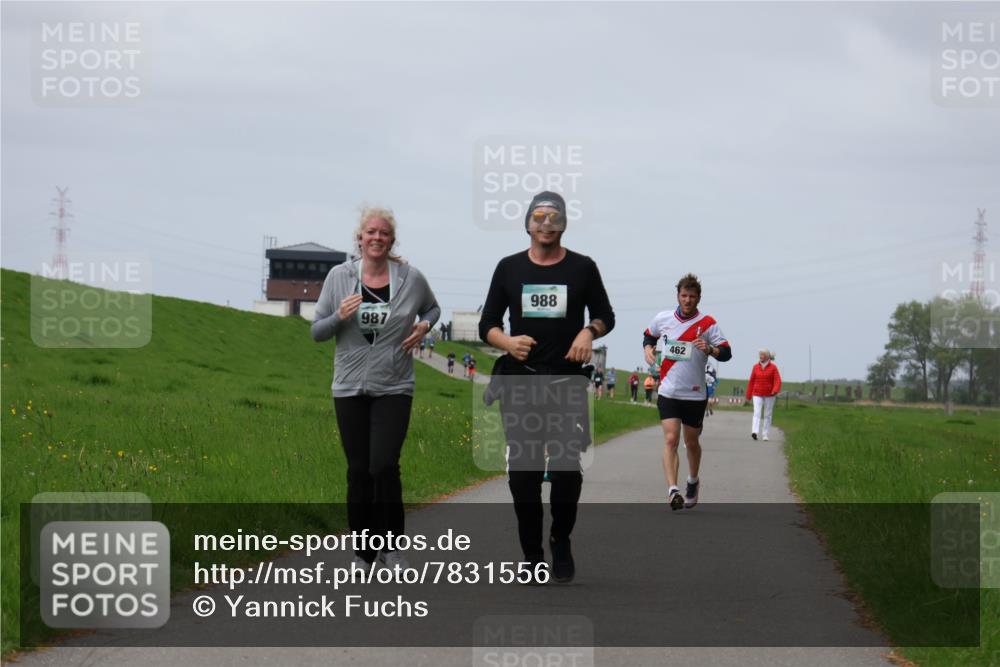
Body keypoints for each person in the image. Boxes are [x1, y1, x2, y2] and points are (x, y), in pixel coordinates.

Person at [479, 191, 614, 584]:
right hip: (520, 382)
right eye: (538, 217)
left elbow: (606, 315)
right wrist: (507, 342)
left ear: (564, 223)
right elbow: (489, 321)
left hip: (566, 381)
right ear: (527, 224)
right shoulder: (508, 268)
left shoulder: (583, 268)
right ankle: (532, 553)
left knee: (567, 472)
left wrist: (589, 331)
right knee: (524, 474)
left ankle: (560, 537)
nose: (546, 224)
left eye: (554, 217)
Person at [311, 206, 440, 570]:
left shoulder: (410, 279)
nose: (377, 238)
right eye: (371, 232)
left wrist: (424, 327)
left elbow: (432, 308)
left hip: (394, 384)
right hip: (349, 386)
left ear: (392, 240)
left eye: (384, 233)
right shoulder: (339, 277)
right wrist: (340, 316)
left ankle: (393, 547)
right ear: (360, 238)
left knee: (384, 465)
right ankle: (364, 551)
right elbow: (317, 332)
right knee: (358, 470)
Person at [643, 273, 731, 511]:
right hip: (669, 391)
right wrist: (648, 349)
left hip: (694, 394)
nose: (688, 300)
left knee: (691, 442)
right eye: (684, 295)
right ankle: (673, 491)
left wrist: (711, 349)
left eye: (692, 296)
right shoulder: (663, 318)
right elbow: (648, 335)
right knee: (671, 439)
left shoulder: (708, 323)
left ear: (698, 298)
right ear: (678, 296)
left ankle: (692, 480)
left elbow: (727, 352)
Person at [746, 349, 781, 441]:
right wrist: (748, 394)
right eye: (760, 354)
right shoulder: (755, 367)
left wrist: (775, 390)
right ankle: (755, 432)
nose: (760, 356)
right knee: (756, 412)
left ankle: (765, 434)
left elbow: (778, 380)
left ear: (767, 357)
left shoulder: (773, 367)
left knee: (767, 414)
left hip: (770, 394)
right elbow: (751, 381)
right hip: (757, 393)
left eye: (762, 355)